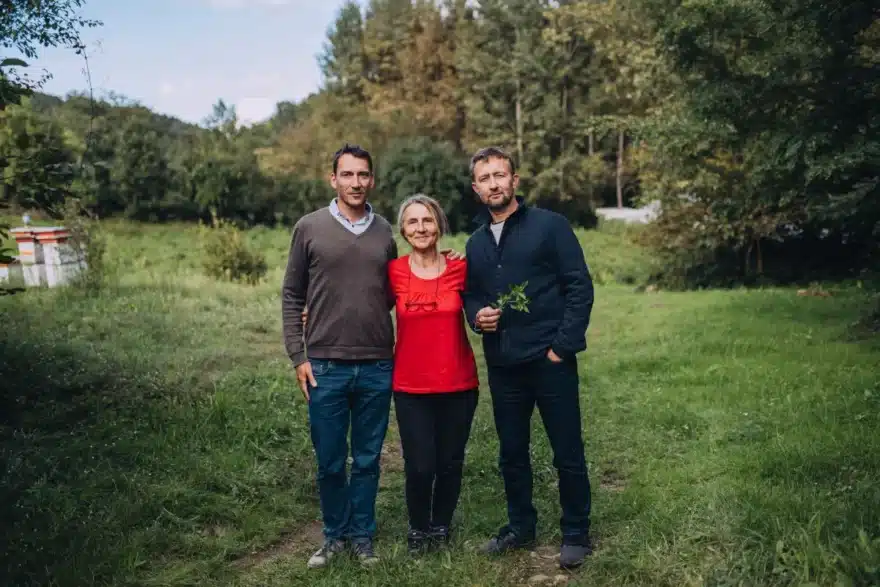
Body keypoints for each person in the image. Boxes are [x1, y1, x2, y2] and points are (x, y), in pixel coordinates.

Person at [462, 146, 596, 570]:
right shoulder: (476, 243)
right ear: (476, 188)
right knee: (512, 452)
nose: (494, 184)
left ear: (515, 180)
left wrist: (562, 348)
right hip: (504, 365)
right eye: (486, 179)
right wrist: (475, 316)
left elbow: (579, 287)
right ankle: (521, 527)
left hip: (549, 360)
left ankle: (576, 530)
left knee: (566, 449)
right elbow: (472, 295)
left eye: (500, 175)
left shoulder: (550, 227)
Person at [281, 143, 397, 569]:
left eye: (363, 174)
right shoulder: (309, 228)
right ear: (333, 179)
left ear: (371, 179)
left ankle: (362, 536)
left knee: (367, 459)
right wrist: (299, 355)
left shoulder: (385, 231)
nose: (355, 182)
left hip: (377, 362)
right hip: (324, 365)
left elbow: (389, 292)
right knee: (330, 460)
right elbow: (292, 294)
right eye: (347, 174)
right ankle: (334, 535)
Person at [387, 194, 480, 555]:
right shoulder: (393, 271)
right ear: (403, 230)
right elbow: (363, 306)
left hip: (458, 383)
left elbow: (483, 305)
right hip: (410, 385)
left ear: (439, 225)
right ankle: (417, 527)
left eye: (427, 220)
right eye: (413, 221)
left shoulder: (461, 267)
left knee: (450, 461)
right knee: (420, 464)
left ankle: (441, 524)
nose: (421, 228)